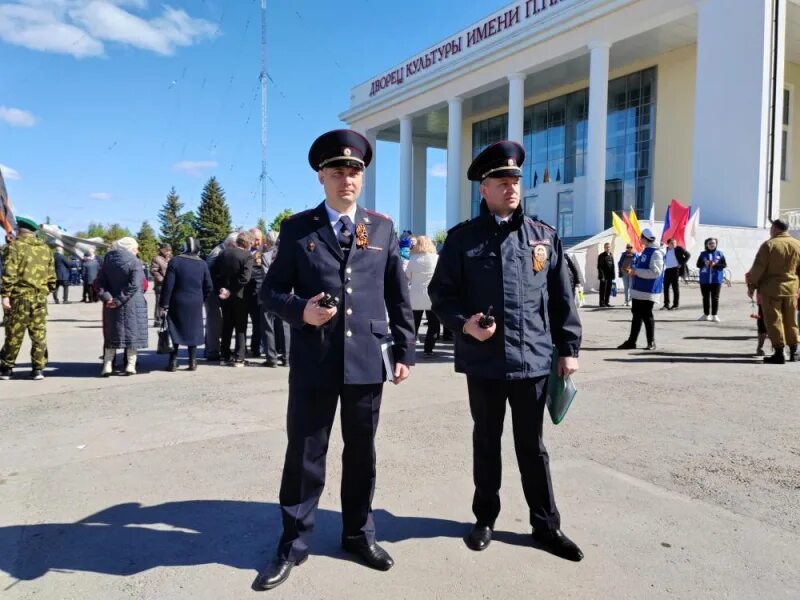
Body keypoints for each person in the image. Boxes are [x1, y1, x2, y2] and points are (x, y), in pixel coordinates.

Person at [254, 129, 415, 591]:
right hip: (314, 359)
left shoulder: (380, 227)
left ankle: (358, 534)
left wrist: (405, 350)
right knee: (305, 453)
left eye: (356, 171)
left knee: (362, 453)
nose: (348, 178)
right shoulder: (297, 228)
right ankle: (293, 542)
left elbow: (396, 295)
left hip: (367, 358)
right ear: (321, 177)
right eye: (339, 171)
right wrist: (299, 311)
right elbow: (270, 292)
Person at [429, 140, 583, 562]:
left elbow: (561, 299)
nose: (511, 186)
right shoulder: (463, 239)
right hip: (484, 362)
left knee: (532, 447)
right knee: (487, 441)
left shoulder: (543, 237)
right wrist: (464, 324)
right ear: (484, 188)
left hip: (533, 361)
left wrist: (568, 348)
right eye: (501, 180)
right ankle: (485, 518)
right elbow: (440, 295)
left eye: (515, 179)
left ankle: (546, 526)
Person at [0, 216, 56, 381]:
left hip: (19, 298)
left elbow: (9, 274)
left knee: (14, 333)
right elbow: (52, 278)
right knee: (38, 334)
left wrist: (5, 296)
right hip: (39, 298)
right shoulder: (45, 249)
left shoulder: (15, 247)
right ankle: (38, 369)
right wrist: (43, 291)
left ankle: (6, 368)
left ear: (19, 231)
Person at [747, 218, 800, 364]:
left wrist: (751, 286)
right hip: (791, 289)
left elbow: (758, 268)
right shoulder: (797, 244)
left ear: (775, 229)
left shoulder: (769, 245)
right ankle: (794, 351)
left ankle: (779, 352)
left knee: (774, 320)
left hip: (771, 289)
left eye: (771, 228)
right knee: (791, 320)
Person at [159, 237, 213, 371]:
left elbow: (168, 285)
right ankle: (192, 362)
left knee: (175, 329)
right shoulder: (202, 264)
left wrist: (164, 303)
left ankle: (172, 362)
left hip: (177, 300)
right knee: (193, 330)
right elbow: (209, 286)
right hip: (195, 302)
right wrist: (202, 299)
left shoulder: (175, 261)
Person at [96, 237, 149, 376]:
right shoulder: (135, 261)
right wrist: (120, 300)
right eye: (135, 247)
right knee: (132, 335)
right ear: (129, 248)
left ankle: (107, 365)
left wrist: (108, 298)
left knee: (111, 335)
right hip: (132, 303)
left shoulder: (107, 261)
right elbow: (135, 285)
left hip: (111, 304)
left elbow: (100, 283)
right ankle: (130, 366)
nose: (137, 250)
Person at [618, 228, 664, 350]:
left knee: (647, 316)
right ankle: (631, 341)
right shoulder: (646, 251)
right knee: (636, 316)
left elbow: (655, 272)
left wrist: (636, 272)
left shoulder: (656, 252)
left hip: (648, 290)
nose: (640, 239)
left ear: (646, 238)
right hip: (639, 290)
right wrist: (633, 270)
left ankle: (651, 342)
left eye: (641, 237)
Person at [212, 231, 253, 367]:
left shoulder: (223, 253)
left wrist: (222, 289)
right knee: (241, 326)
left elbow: (214, 273)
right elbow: (245, 278)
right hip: (240, 296)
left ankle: (224, 355)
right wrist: (231, 290)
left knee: (227, 325)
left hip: (224, 295)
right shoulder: (247, 256)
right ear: (247, 243)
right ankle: (239, 357)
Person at [405, 234, 440, 357]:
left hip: (415, 296)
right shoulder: (437, 259)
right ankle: (428, 349)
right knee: (434, 324)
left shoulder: (413, 259)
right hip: (432, 296)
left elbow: (407, 277)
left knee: (414, 324)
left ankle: (410, 347)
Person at [203, 233, 236, 361]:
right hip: (211, 292)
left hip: (213, 291)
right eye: (235, 245)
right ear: (230, 244)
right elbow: (209, 274)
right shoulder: (217, 253)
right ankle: (212, 351)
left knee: (214, 321)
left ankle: (210, 349)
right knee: (214, 321)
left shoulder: (220, 251)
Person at [245, 227, 266, 361]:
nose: (258, 242)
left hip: (256, 293)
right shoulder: (243, 250)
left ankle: (255, 348)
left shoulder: (263, 252)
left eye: (260, 239)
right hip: (243, 293)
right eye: (256, 240)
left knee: (257, 323)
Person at [697, 238, 727, 322]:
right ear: (706, 244)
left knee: (715, 298)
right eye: (709, 243)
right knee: (705, 297)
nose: (711, 245)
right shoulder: (703, 254)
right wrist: (704, 263)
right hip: (704, 279)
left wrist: (715, 265)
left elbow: (724, 265)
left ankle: (714, 315)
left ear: (716, 244)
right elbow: (698, 265)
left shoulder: (720, 254)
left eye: (713, 243)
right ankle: (706, 314)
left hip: (716, 279)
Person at [662, 238, 690, 310]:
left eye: (675, 243)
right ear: (668, 244)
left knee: (675, 288)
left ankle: (675, 305)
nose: (674, 244)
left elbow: (688, 255)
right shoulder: (666, 249)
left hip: (675, 270)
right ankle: (666, 304)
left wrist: (681, 263)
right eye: (672, 243)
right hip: (667, 270)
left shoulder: (678, 249)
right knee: (665, 287)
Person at [150, 243, 172, 328]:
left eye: (169, 250)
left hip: (169, 284)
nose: (168, 252)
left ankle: (167, 319)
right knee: (159, 303)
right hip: (160, 285)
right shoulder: (157, 259)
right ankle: (158, 320)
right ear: (162, 250)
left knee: (168, 302)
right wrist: (162, 279)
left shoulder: (170, 259)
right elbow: (153, 271)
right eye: (166, 250)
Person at [597, 241, 615, 307]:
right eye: (606, 247)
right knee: (603, 290)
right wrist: (602, 276)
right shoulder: (601, 256)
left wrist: (613, 275)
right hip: (604, 276)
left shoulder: (611, 255)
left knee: (608, 290)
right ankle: (601, 303)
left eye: (609, 247)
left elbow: (613, 265)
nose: (608, 248)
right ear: (604, 248)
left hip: (610, 276)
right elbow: (599, 267)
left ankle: (607, 302)